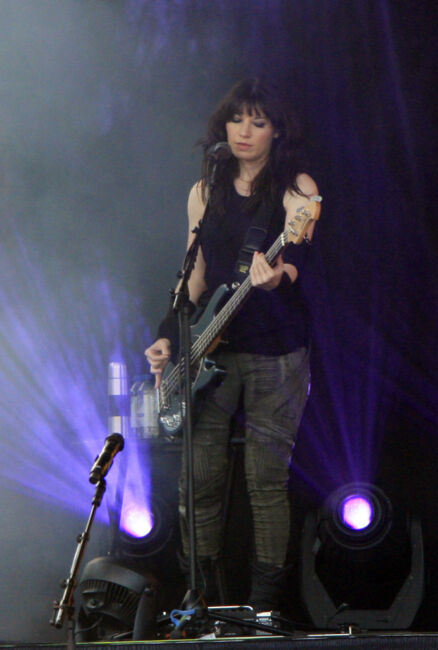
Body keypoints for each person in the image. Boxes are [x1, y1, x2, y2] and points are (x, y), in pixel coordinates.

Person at [145, 78, 320, 611]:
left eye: (258, 122)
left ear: (276, 131)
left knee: (265, 480)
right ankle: (200, 602)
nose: (244, 131)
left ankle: (264, 608)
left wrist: (278, 276)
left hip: (277, 349)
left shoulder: (296, 188)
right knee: (199, 478)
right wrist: (167, 334)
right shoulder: (206, 189)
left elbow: (302, 260)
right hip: (212, 347)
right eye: (236, 119)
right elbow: (194, 275)